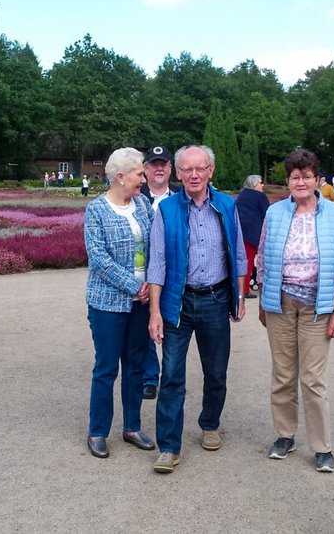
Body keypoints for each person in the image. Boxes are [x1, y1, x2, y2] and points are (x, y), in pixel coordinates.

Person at [147, 144, 247, 473]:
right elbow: (157, 263)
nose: (194, 175)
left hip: (216, 299)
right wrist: (155, 312)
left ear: (210, 172)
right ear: (178, 173)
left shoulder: (227, 205)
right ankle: (169, 447)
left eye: (200, 168)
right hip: (179, 301)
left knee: (216, 372)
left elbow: (239, 256)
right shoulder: (167, 210)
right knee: (172, 376)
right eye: (187, 169)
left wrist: (240, 295)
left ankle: (210, 423)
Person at [257, 149, 334, 473]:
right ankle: (285, 435)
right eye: (295, 176)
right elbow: (263, 261)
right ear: (288, 180)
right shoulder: (274, 213)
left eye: (307, 176)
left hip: (318, 306)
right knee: (283, 374)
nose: (301, 181)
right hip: (280, 304)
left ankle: (322, 447)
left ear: (317, 179)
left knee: (313, 379)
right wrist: (262, 302)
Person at [84, 147, 155, 459]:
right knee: (106, 368)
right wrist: (134, 286)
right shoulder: (96, 210)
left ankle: (132, 427)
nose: (145, 177)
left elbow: (158, 245)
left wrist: (150, 285)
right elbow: (98, 258)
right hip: (108, 303)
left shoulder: (142, 204)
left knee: (136, 366)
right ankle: (98, 431)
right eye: (140, 173)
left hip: (142, 302)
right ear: (121, 176)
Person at [140, 146, 179, 401]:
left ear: (170, 169)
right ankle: (149, 376)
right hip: (142, 275)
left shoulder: (179, 199)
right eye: (154, 164)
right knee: (145, 325)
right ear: (144, 170)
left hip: (172, 274)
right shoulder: (133, 197)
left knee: (172, 325)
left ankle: (170, 375)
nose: (159, 169)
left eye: (163, 164)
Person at [235, 175, 270, 299]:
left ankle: (239, 287)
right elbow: (268, 213)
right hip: (252, 233)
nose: (263, 185)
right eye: (260, 183)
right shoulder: (260, 196)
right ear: (254, 184)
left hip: (240, 231)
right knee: (248, 261)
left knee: (241, 260)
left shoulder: (243, 194)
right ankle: (244, 290)